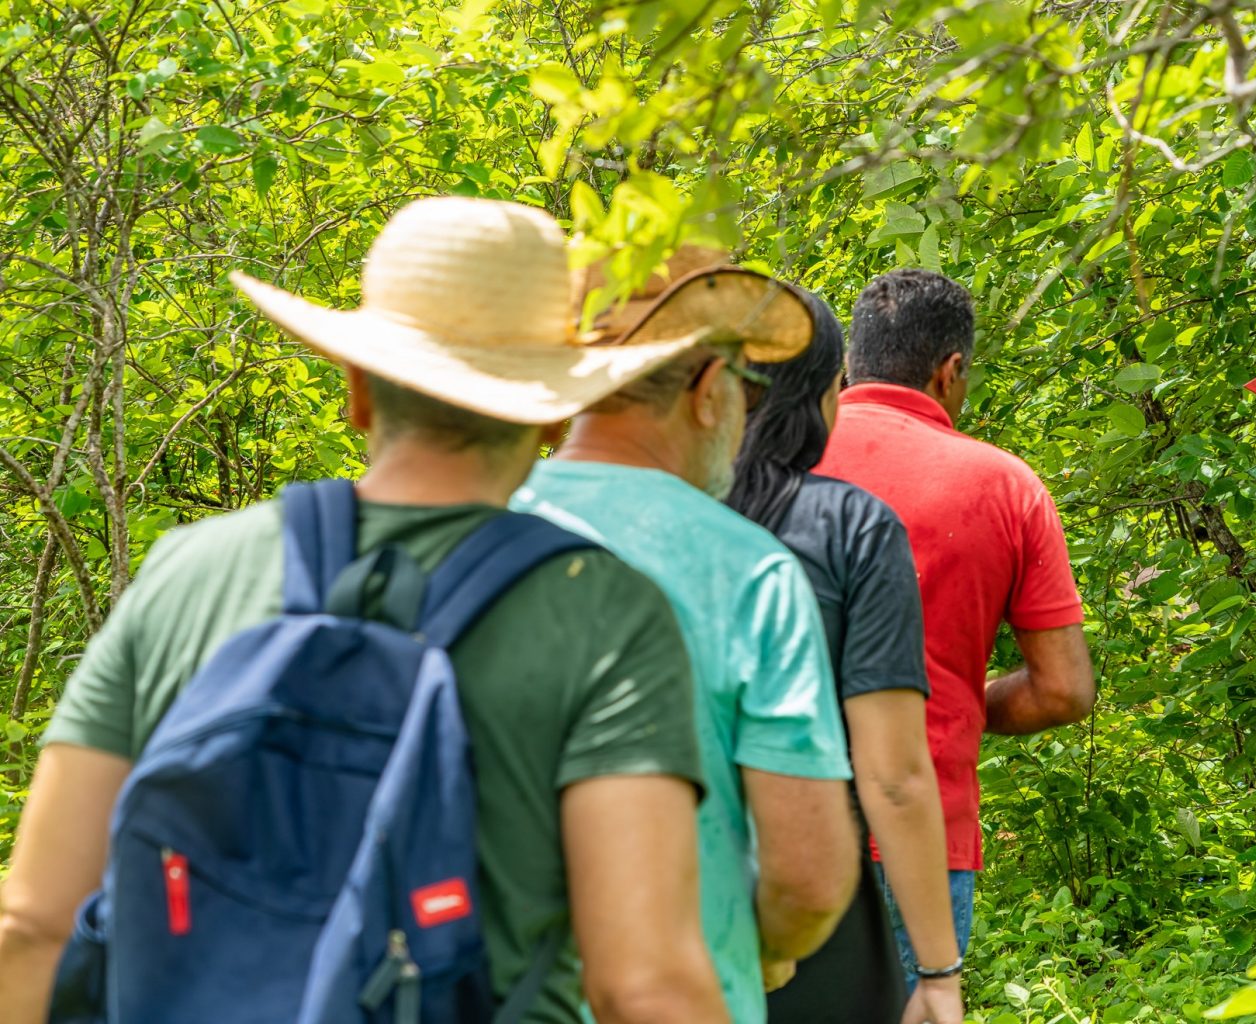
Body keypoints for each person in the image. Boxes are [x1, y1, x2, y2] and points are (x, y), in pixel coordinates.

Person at [0, 198, 728, 1024]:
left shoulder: (189, 571)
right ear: (553, 410)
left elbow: (32, 924)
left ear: (356, 391)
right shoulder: (604, 611)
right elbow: (645, 987)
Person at [514, 250, 861, 1024]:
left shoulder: (481, 535)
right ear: (709, 393)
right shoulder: (749, 574)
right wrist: (762, 943)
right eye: (744, 385)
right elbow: (807, 878)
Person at [816, 268, 1096, 982]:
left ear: (851, 363)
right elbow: (1064, 689)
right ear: (951, 370)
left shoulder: (770, 459)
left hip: (768, 818)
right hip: (924, 833)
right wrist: (963, 700)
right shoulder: (1004, 485)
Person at [726, 291, 965, 1024]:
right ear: (821, 396)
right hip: (815, 895)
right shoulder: (850, 526)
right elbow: (892, 774)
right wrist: (937, 969)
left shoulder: (662, 516)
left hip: (655, 889)